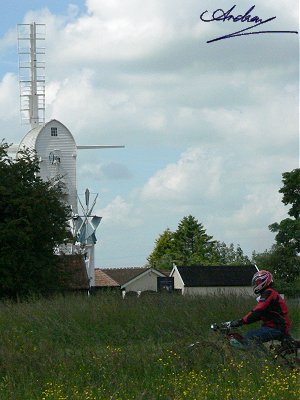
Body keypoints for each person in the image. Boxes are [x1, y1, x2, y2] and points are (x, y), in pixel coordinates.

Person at [230, 270, 291, 348]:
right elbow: (259, 315)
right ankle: (264, 357)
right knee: (250, 335)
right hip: (274, 326)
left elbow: (258, 310)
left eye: (256, 282)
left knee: (250, 337)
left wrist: (241, 321)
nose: (255, 285)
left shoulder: (269, 293)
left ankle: (263, 359)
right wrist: (241, 322)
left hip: (277, 327)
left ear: (263, 281)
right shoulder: (266, 293)